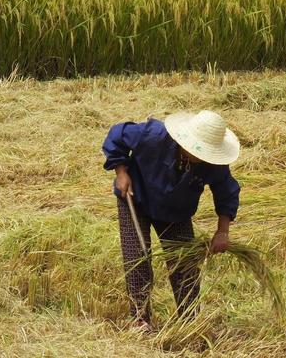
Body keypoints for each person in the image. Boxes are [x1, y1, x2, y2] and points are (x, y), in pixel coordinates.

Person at [102, 110, 241, 330]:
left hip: (177, 211)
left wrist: (222, 231)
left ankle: (189, 320)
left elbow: (227, 192)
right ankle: (139, 318)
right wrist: (121, 172)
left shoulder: (213, 164)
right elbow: (116, 135)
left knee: (184, 264)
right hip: (136, 198)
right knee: (137, 258)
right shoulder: (153, 135)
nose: (201, 156)